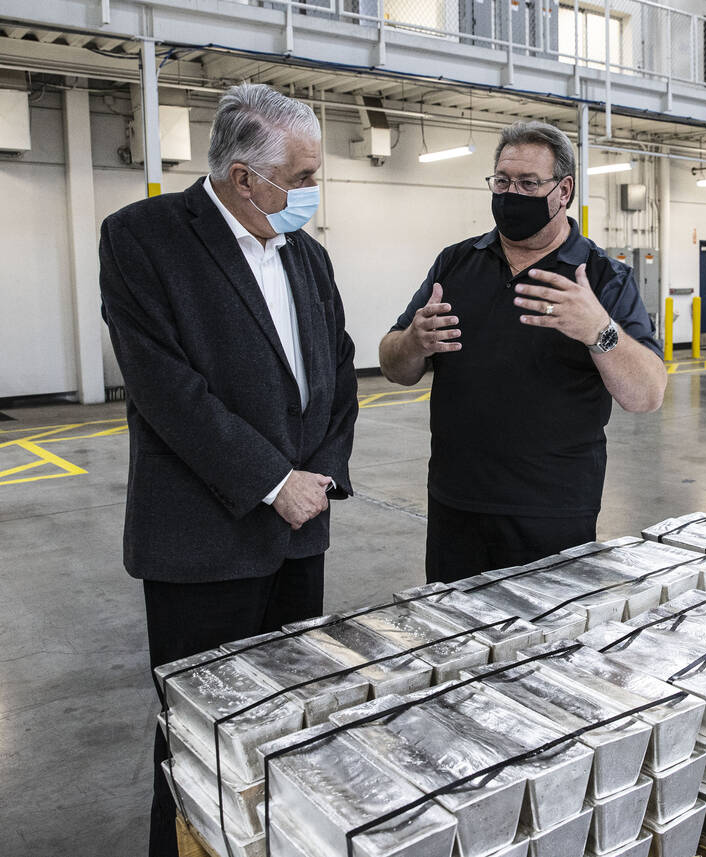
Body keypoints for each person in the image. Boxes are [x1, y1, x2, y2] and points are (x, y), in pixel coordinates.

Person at [98, 83, 358, 857]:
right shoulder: (143, 238)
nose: (313, 193)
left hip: (299, 536)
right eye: (302, 177)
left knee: (288, 727)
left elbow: (338, 375)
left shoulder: (307, 255)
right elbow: (167, 390)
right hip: (203, 547)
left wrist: (321, 477)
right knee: (197, 742)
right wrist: (275, 482)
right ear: (245, 177)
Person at [378, 120, 666, 583]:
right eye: (503, 181)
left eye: (529, 183)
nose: (512, 194)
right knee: (454, 640)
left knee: (547, 646)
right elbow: (394, 365)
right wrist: (413, 341)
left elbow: (647, 394)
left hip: (553, 512)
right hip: (457, 505)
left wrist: (599, 330)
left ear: (563, 190)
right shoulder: (456, 262)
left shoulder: (602, 277)